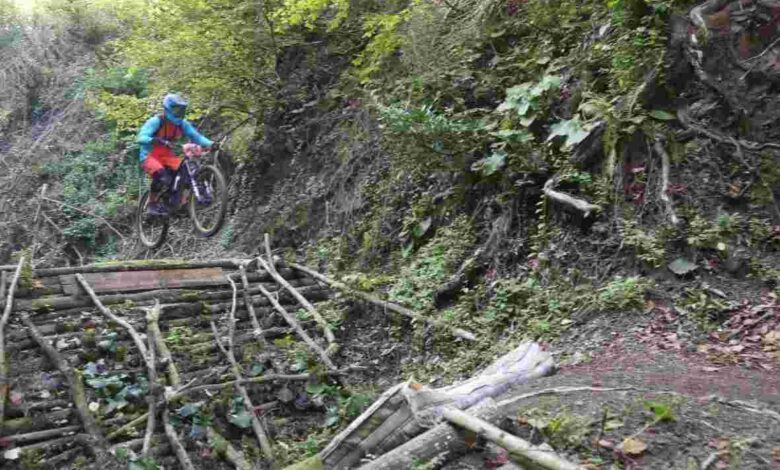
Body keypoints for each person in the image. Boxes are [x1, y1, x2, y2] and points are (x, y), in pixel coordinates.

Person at [137, 93, 217, 215]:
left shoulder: (182, 124)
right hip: (149, 155)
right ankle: (151, 204)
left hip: (167, 156)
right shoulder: (156, 121)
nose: (178, 112)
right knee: (161, 176)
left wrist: (211, 144)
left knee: (186, 171)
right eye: (176, 109)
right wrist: (154, 140)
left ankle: (181, 203)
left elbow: (196, 137)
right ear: (167, 109)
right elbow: (140, 138)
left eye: (181, 110)